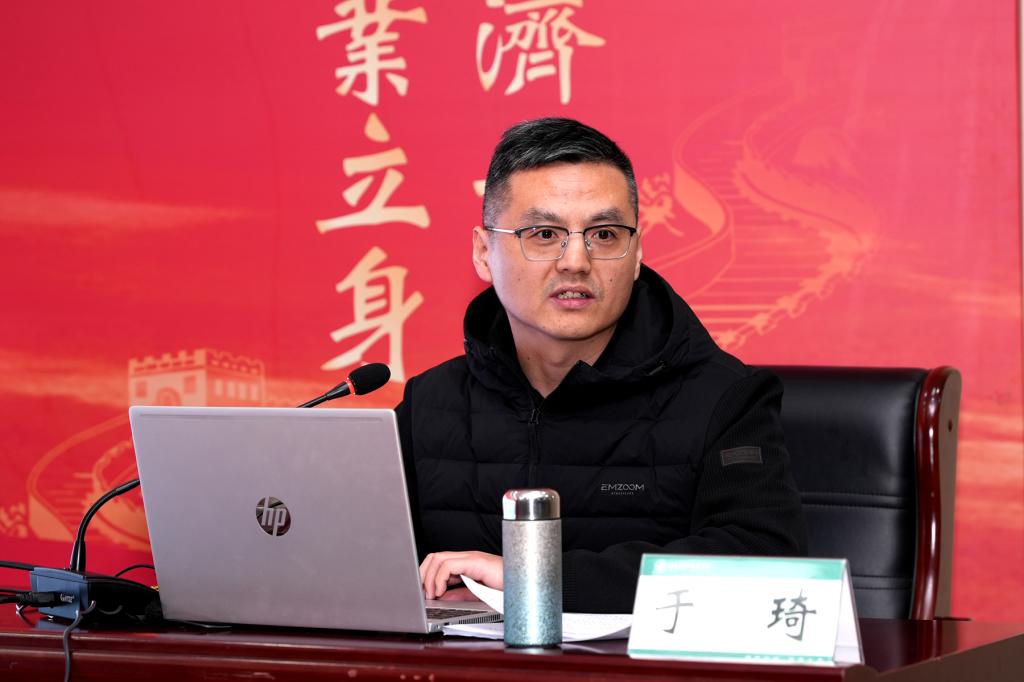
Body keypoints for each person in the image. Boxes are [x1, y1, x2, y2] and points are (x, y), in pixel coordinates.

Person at [396, 117, 807, 613]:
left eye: (605, 234)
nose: (576, 260)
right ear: (484, 254)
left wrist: (536, 577)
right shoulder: (429, 404)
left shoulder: (725, 399)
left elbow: (766, 562)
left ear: (636, 255)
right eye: (544, 233)